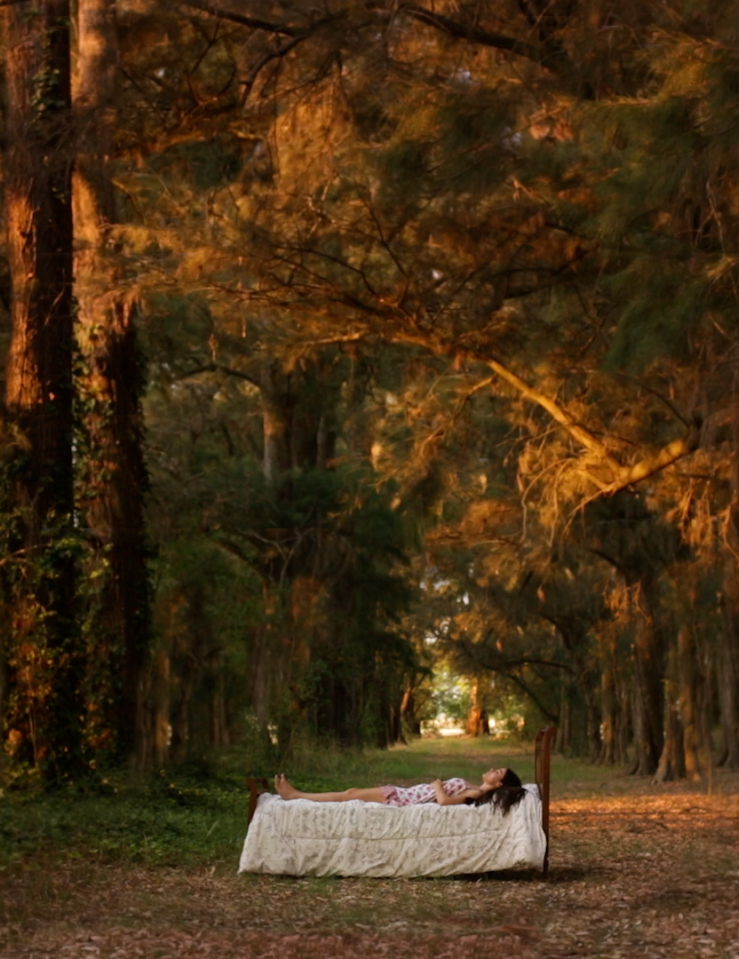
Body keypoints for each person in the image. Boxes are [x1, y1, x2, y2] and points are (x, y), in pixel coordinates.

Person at [274, 766, 526, 814]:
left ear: (499, 784)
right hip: (405, 792)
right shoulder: (473, 787)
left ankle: (294, 795)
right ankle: (295, 794)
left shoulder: (476, 794)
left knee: (349, 794)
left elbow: (444, 803)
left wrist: (438, 785)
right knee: (351, 792)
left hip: (403, 798)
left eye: (498, 772)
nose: (492, 769)